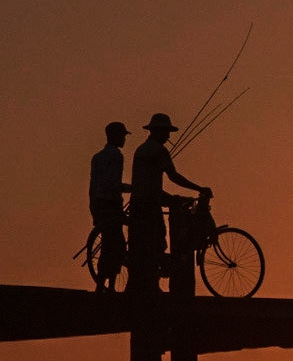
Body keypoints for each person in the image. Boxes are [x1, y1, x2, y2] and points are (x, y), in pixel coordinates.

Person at [127, 112, 209, 293]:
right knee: (156, 243)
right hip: (150, 204)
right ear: (159, 131)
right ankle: (152, 284)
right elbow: (173, 176)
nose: (168, 136)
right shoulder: (158, 151)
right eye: (166, 132)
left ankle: (142, 284)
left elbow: (144, 181)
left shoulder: (141, 150)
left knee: (141, 244)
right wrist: (199, 188)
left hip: (137, 202)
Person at [88, 121, 130, 291]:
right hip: (111, 205)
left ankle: (104, 284)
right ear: (114, 136)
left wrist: (93, 210)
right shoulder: (116, 156)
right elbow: (113, 184)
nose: (124, 139)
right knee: (115, 245)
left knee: (109, 243)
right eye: (122, 136)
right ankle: (107, 284)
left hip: (98, 204)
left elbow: (93, 186)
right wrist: (133, 188)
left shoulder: (97, 157)